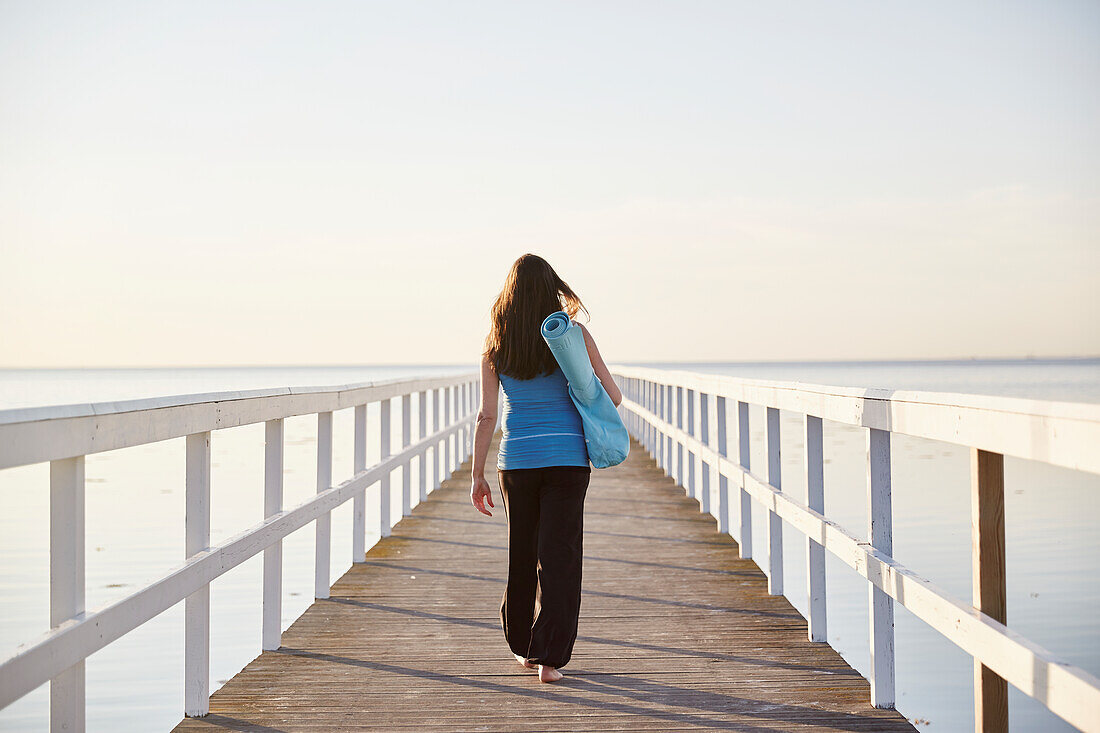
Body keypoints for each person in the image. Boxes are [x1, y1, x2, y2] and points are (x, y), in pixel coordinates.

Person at [469, 253, 622, 684]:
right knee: (560, 557)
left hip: (515, 462)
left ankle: (522, 647)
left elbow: (486, 417)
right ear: (553, 288)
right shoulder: (571, 336)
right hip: (568, 461)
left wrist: (476, 475)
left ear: (509, 295)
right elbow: (612, 397)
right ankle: (548, 660)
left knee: (523, 554)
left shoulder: (495, 346)